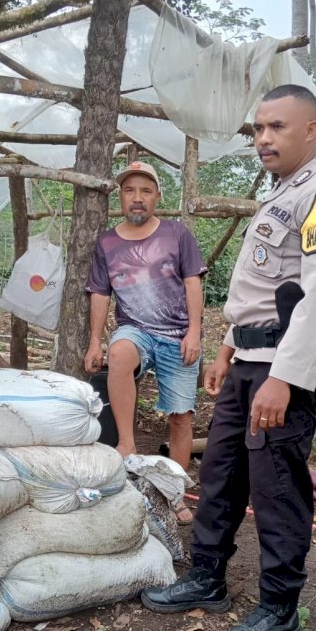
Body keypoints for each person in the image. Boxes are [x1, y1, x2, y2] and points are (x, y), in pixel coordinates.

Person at [141, 85, 316, 631]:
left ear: (311, 131)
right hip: (248, 361)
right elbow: (260, 290)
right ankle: (207, 576)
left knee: (277, 485)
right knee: (221, 473)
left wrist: (285, 378)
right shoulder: (279, 192)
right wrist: (227, 348)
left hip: (282, 368)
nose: (263, 138)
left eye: (277, 127)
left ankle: (280, 606)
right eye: (258, 129)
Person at [84, 161, 207, 513]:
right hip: (135, 329)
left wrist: (194, 333)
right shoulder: (107, 242)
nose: (137, 198)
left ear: (156, 197)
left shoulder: (176, 234)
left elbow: (193, 283)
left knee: (181, 416)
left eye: (145, 191)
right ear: (121, 197)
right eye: (129, 190)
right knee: (120, 353)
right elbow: (100, 293)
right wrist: (95, 341)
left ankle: (175, 493)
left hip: (177, 333)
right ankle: (127, 445)